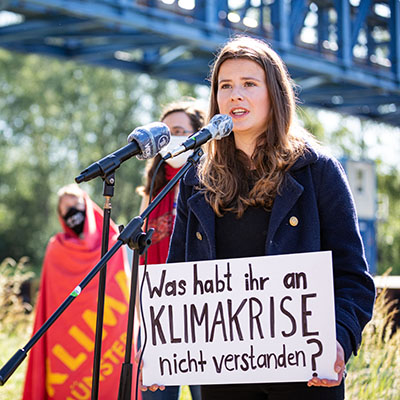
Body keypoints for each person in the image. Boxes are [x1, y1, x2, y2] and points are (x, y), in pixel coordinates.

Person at [165, 36, 376, 400]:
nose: (235, 96)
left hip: (305, 377)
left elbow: (353, 278)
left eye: (249, 84)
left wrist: (339, 339)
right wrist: (161, 347)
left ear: (274, 94)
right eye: (225, 86)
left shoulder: (317, 171)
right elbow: (178, 280)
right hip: (225, 377)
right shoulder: (196, 179)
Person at [23, 184, 141, 400]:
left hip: (111, 336)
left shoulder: (112, 240)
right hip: (69, 342)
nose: (71, 213)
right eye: (64, 209)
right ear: (60, 216)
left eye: (75, 205)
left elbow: (123, 286)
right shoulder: (55, 249)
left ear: (86, 205)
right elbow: (50, 302)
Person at [138, 100, 205, 400]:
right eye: (166, 133)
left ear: (198, 134)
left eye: (179, 131)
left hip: (206, 313)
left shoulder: (213, 183)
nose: (172, 138)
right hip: (159, 314)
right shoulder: (154, 188)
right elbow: (140, 253)